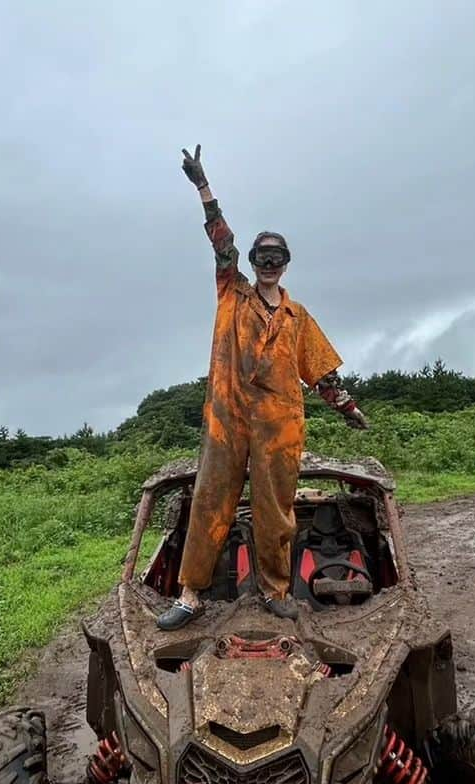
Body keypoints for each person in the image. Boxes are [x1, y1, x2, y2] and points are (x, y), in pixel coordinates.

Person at [157, 145, 368, 631]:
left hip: (280, 425)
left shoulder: (298, 317)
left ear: (286, 263)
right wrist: (204, 188)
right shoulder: (232, 294)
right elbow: (221, 244)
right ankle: (190, 594)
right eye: (261, 256)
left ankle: (275, 590)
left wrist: (348, 408)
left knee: (277, 511)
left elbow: (321, 373)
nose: (268, 263)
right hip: (228, 418)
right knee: (211, 499)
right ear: (251, 262)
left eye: (276, 257)